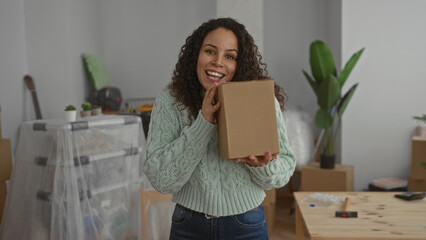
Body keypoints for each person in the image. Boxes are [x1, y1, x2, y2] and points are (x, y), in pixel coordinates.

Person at [142, 17, 296, 240]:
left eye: (230, 56)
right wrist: (203, 123)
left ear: (239, 63)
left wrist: (262, 165)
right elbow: (160, 180)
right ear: (196, 54)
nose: (218, 62)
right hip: (188, 225)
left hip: (246, 223)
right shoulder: (170, 101)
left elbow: (283, 171)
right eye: (210, 51)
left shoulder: (260, 101)